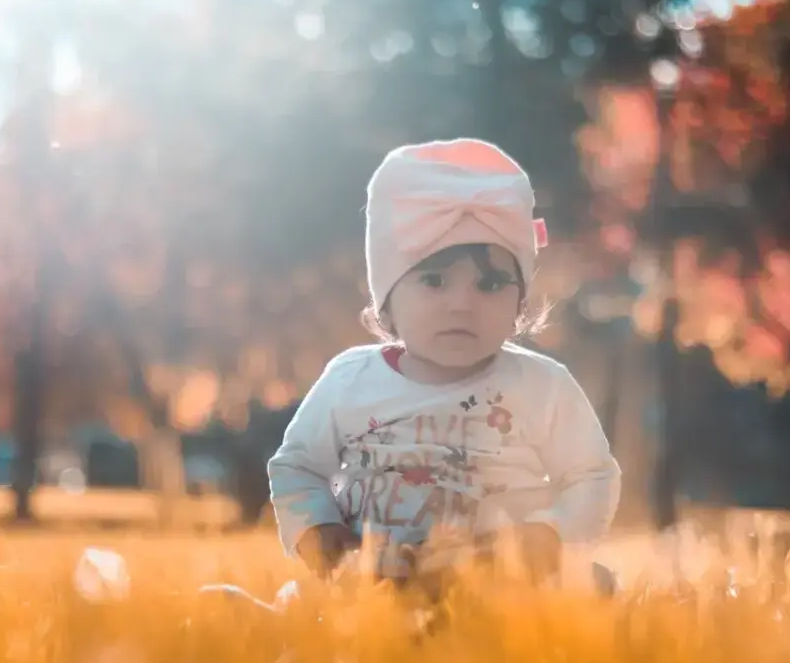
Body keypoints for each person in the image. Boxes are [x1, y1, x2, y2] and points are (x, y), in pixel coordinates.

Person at [266, 137, 621, 595]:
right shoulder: (349, 380)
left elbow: (592, 476)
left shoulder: (542, 385)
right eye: (434, 281)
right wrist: (325, 539)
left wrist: (547, 537)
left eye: (490, 283)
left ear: (519, 301)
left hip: (505, 579)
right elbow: (297, 467)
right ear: (388, 299)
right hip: (377, 579)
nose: (462, 304)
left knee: (592, 587)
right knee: (296, 602)